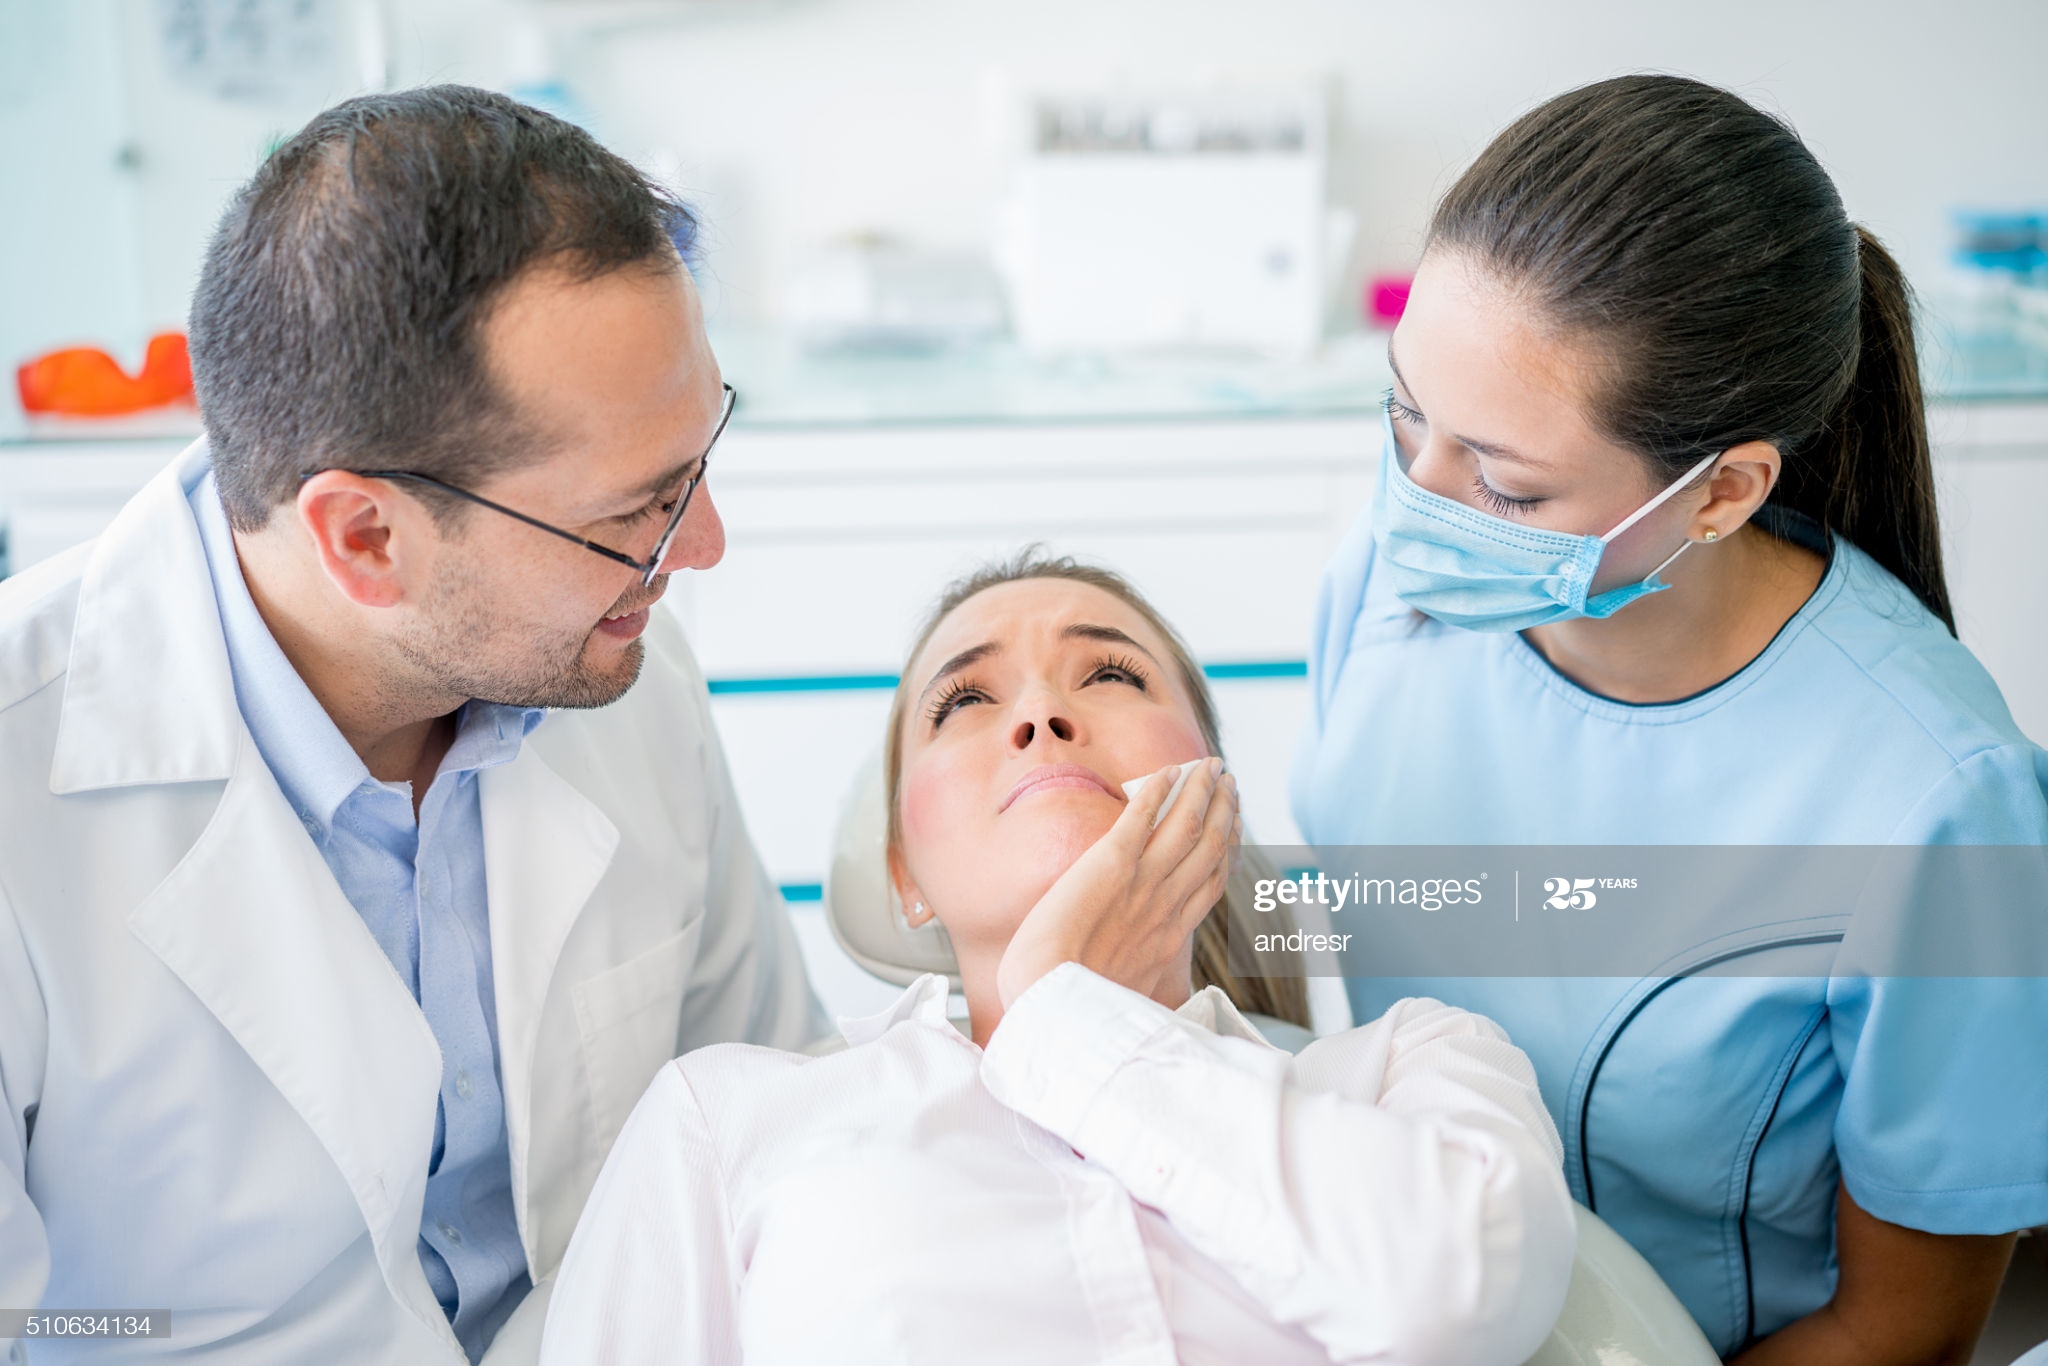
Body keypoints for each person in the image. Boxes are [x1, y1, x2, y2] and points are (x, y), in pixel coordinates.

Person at [0, 88, 823, 1364]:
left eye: (700, 456)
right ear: (365, 536)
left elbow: (782, 1129)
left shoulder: (620, 673)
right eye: (635, 511)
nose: (701, 545)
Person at [1291, 75, 2048, 1364]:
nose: (1416, 497)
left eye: (1504, 485)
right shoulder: (1384, 586)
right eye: (1406, 411)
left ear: (1720, 492)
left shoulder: (1939, 803)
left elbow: (1902, 1326)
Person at [539, 552, 1577, 1366]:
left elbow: (1460, 1294)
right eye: (964, 701)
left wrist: (1061, 1015)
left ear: (1214, 799)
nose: (1040, 715)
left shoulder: (1412, 1068)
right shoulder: (724, 1123)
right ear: (904, 874)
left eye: (1111, 673)